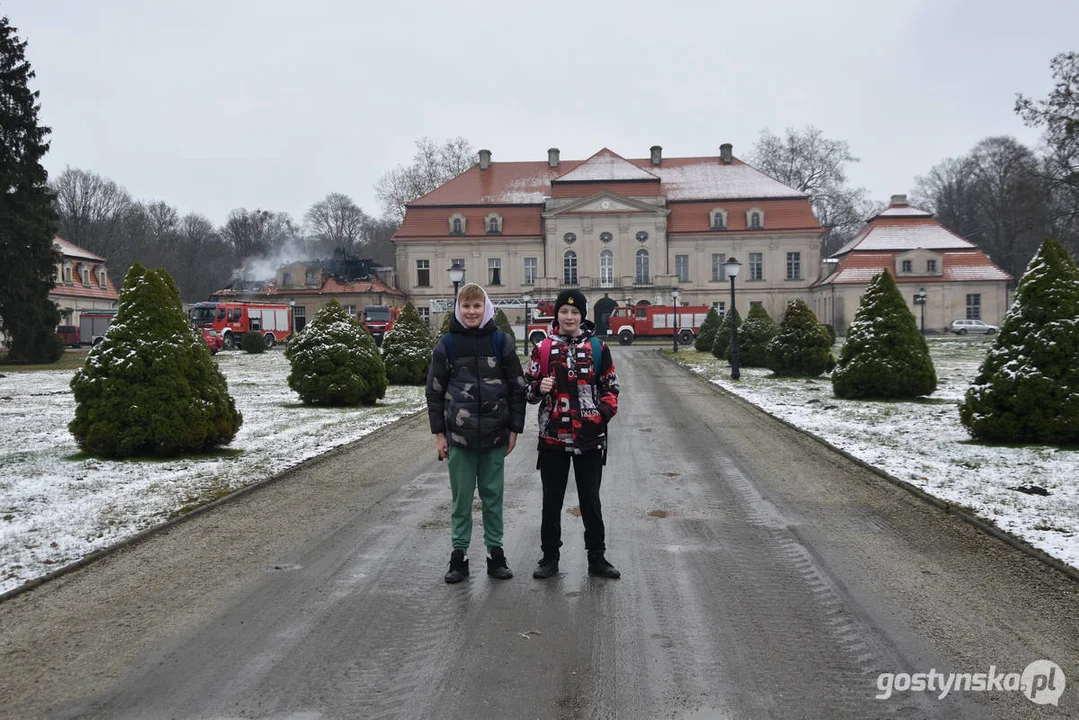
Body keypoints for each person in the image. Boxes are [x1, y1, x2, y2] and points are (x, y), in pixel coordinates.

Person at [426, 283, 527, 584]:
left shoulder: (502, 342)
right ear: (459, 309)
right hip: (459, 438)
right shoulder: (448, 345)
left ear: (486, 308)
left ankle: (496, 554)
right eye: (466, 306)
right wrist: (439, 434)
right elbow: (434, 391)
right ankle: (460, 557)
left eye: (476, 306)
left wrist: (514, 429)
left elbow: (517, 388)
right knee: (461, 501)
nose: (471, 312)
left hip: (495, 437)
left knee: (493, 497)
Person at [525, 289, 621, 579]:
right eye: (564, 312)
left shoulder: (597, 348)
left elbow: (611, 388)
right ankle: (549, 557)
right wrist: (536, 389)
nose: (569, 317)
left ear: (582, 316)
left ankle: (597, 558)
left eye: (575, 312)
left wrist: (601, 416)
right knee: (551, 502)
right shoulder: (542, 349)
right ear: (557, 315)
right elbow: (525, 388)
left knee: (590, 500)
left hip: (589, 439)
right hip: (553, 438)